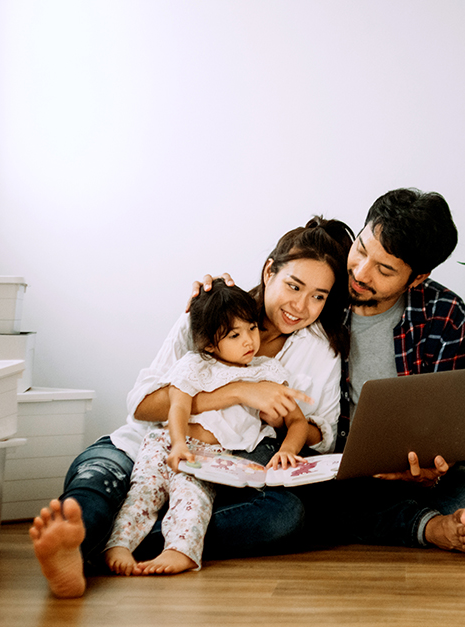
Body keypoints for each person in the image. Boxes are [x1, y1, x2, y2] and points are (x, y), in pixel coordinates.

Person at [29, 216, 353, 597]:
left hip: (218, 471)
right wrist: (238, 392)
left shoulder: (320, 348)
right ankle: (76, 543)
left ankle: (118, 545)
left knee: (285, 515)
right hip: (151, 445)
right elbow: (143, 406)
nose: (301, 306)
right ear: (269, 272)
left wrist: (282, 425)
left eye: (318, 296)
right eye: (293, 286)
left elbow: (323, 434)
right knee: (99, 481)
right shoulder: (207, 314)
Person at [292, 187, 465, 558]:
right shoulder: (321, 288)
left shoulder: (445, 313)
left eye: (384, 270)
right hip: (321, 468)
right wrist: (215, 296)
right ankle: (427, 527)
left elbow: (451, 431)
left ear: (417, 278)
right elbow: (263, 306)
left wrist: (429, 469)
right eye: (361, 249)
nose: (359, 272)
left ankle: (385, 520)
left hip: (403, 480)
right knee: (295, 505)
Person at [104, 280, 310, 576]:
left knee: (192, 499)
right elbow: (178, 405)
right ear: (211, 343)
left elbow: (297, 420)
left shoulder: (266, 372)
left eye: (252, 328)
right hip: (167, 444)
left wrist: (287, 450)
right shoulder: (195, 364)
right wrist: (178, 444)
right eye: (235, 335)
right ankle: (118, 544)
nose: (249, 340)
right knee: (144, 492)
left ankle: (179, 551)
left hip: (210, 457)